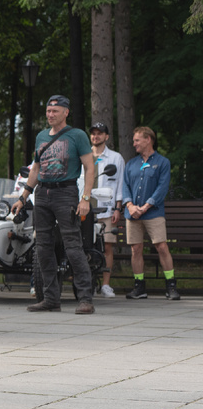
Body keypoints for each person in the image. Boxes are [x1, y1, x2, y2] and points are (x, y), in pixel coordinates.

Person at [11, 94, 95, 314]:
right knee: (43, 248)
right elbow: (36, 170)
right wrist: (23, 197)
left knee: (73, 246)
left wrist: (85, 198)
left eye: (55, 111)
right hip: (42, 195)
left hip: (66, 193)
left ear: (66, 112)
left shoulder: (77, 136)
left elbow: (90, 167)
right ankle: (50, 298)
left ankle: (85, 298)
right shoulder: (40, 137)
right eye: (48, 111)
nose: (50, 115)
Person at [119, 126, 178, 301]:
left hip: (153, 213)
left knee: (161, 247)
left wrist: (145, 207)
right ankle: (139, 287)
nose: (134, 143)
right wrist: (129, 206)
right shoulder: (131, 164)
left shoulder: (162, 162)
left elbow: (162, 188)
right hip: (132, 214)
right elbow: (125, 186)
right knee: (135, 249)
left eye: (137, 140)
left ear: (148, 140)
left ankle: (171, 285)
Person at [87, 122, 124, 297]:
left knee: (107, 246)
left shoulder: (116, 158)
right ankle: (88, 283)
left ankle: (106, 284)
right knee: (85, 245)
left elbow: (120, 184)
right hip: (86, 209)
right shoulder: (84, 155)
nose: (96, 136)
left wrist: (118, 208)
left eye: (99, 133)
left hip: (106, 210)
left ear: (106, 136)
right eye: (93, 133)